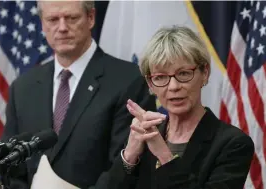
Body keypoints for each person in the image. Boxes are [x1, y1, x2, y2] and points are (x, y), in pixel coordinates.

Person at [1, 1, 156, 189]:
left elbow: (126, 165)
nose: (62, 27)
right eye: (52, 19)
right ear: (42, 24)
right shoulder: (23, 88)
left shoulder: (128, 81)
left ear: (90, 18)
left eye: (71, 18)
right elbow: (11, 169)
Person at [108, 26, 254, 189]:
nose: (173, 86)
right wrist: (129, 156)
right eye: (161, 77)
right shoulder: (145, 134)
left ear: (204, 73)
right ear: (150, 83)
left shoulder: (233, 143)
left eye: (183, 74)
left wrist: (163, 155)